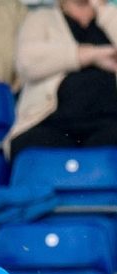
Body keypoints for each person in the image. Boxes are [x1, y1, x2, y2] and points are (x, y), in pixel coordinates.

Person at [8, 0, 117, 158]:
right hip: (50, 122)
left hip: (109, 123)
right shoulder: (41, 18)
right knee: (34, 149)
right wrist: (91, 54)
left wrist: (103, 10)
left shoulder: (112, 16)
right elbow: (27, 61)